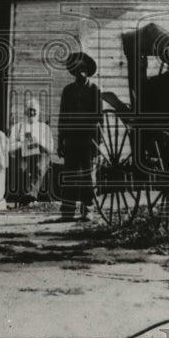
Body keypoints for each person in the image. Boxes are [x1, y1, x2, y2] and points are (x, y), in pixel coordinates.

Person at [55, 52, 101, 222]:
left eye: (83, 69)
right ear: (73, 71)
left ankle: (88, 209)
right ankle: (67, 211)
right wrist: (61, 141)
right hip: (72, 139)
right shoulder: (68, 91)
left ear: (88, 71)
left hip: (88, 138)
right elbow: (63, 116)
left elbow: (99, 119)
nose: (80, 72)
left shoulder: (94, 89)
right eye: (77, 69)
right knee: (70, 176)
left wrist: (97, 143)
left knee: (88, 176)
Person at [8, 100, 54, 205]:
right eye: (29, 110)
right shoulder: (17, 127)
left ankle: (30, 196)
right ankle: (26, 196)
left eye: (34, 111)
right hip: (23, 155)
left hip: (40, 155)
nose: (32, 113)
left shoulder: (44, 128)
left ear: (38, 112)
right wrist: (23, 143)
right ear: (24, 112)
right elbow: (10, 147)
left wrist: (38, 142)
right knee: (21, 167)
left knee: (38, 167)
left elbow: (50, 148)